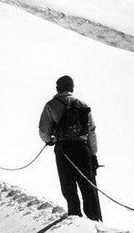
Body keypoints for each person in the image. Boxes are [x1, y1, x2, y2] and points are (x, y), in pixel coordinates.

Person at [39, 75, 102, 221]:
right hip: (82, 149)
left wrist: (49, 140)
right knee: (87, 186)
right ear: (72, 87)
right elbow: (91, 129)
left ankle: (75, 217)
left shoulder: (51, 105)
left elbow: (43, 130)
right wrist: (93, 153)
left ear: (57, 88)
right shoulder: (82, 103)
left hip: (63, 149)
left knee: (68, 186)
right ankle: (94, 220)